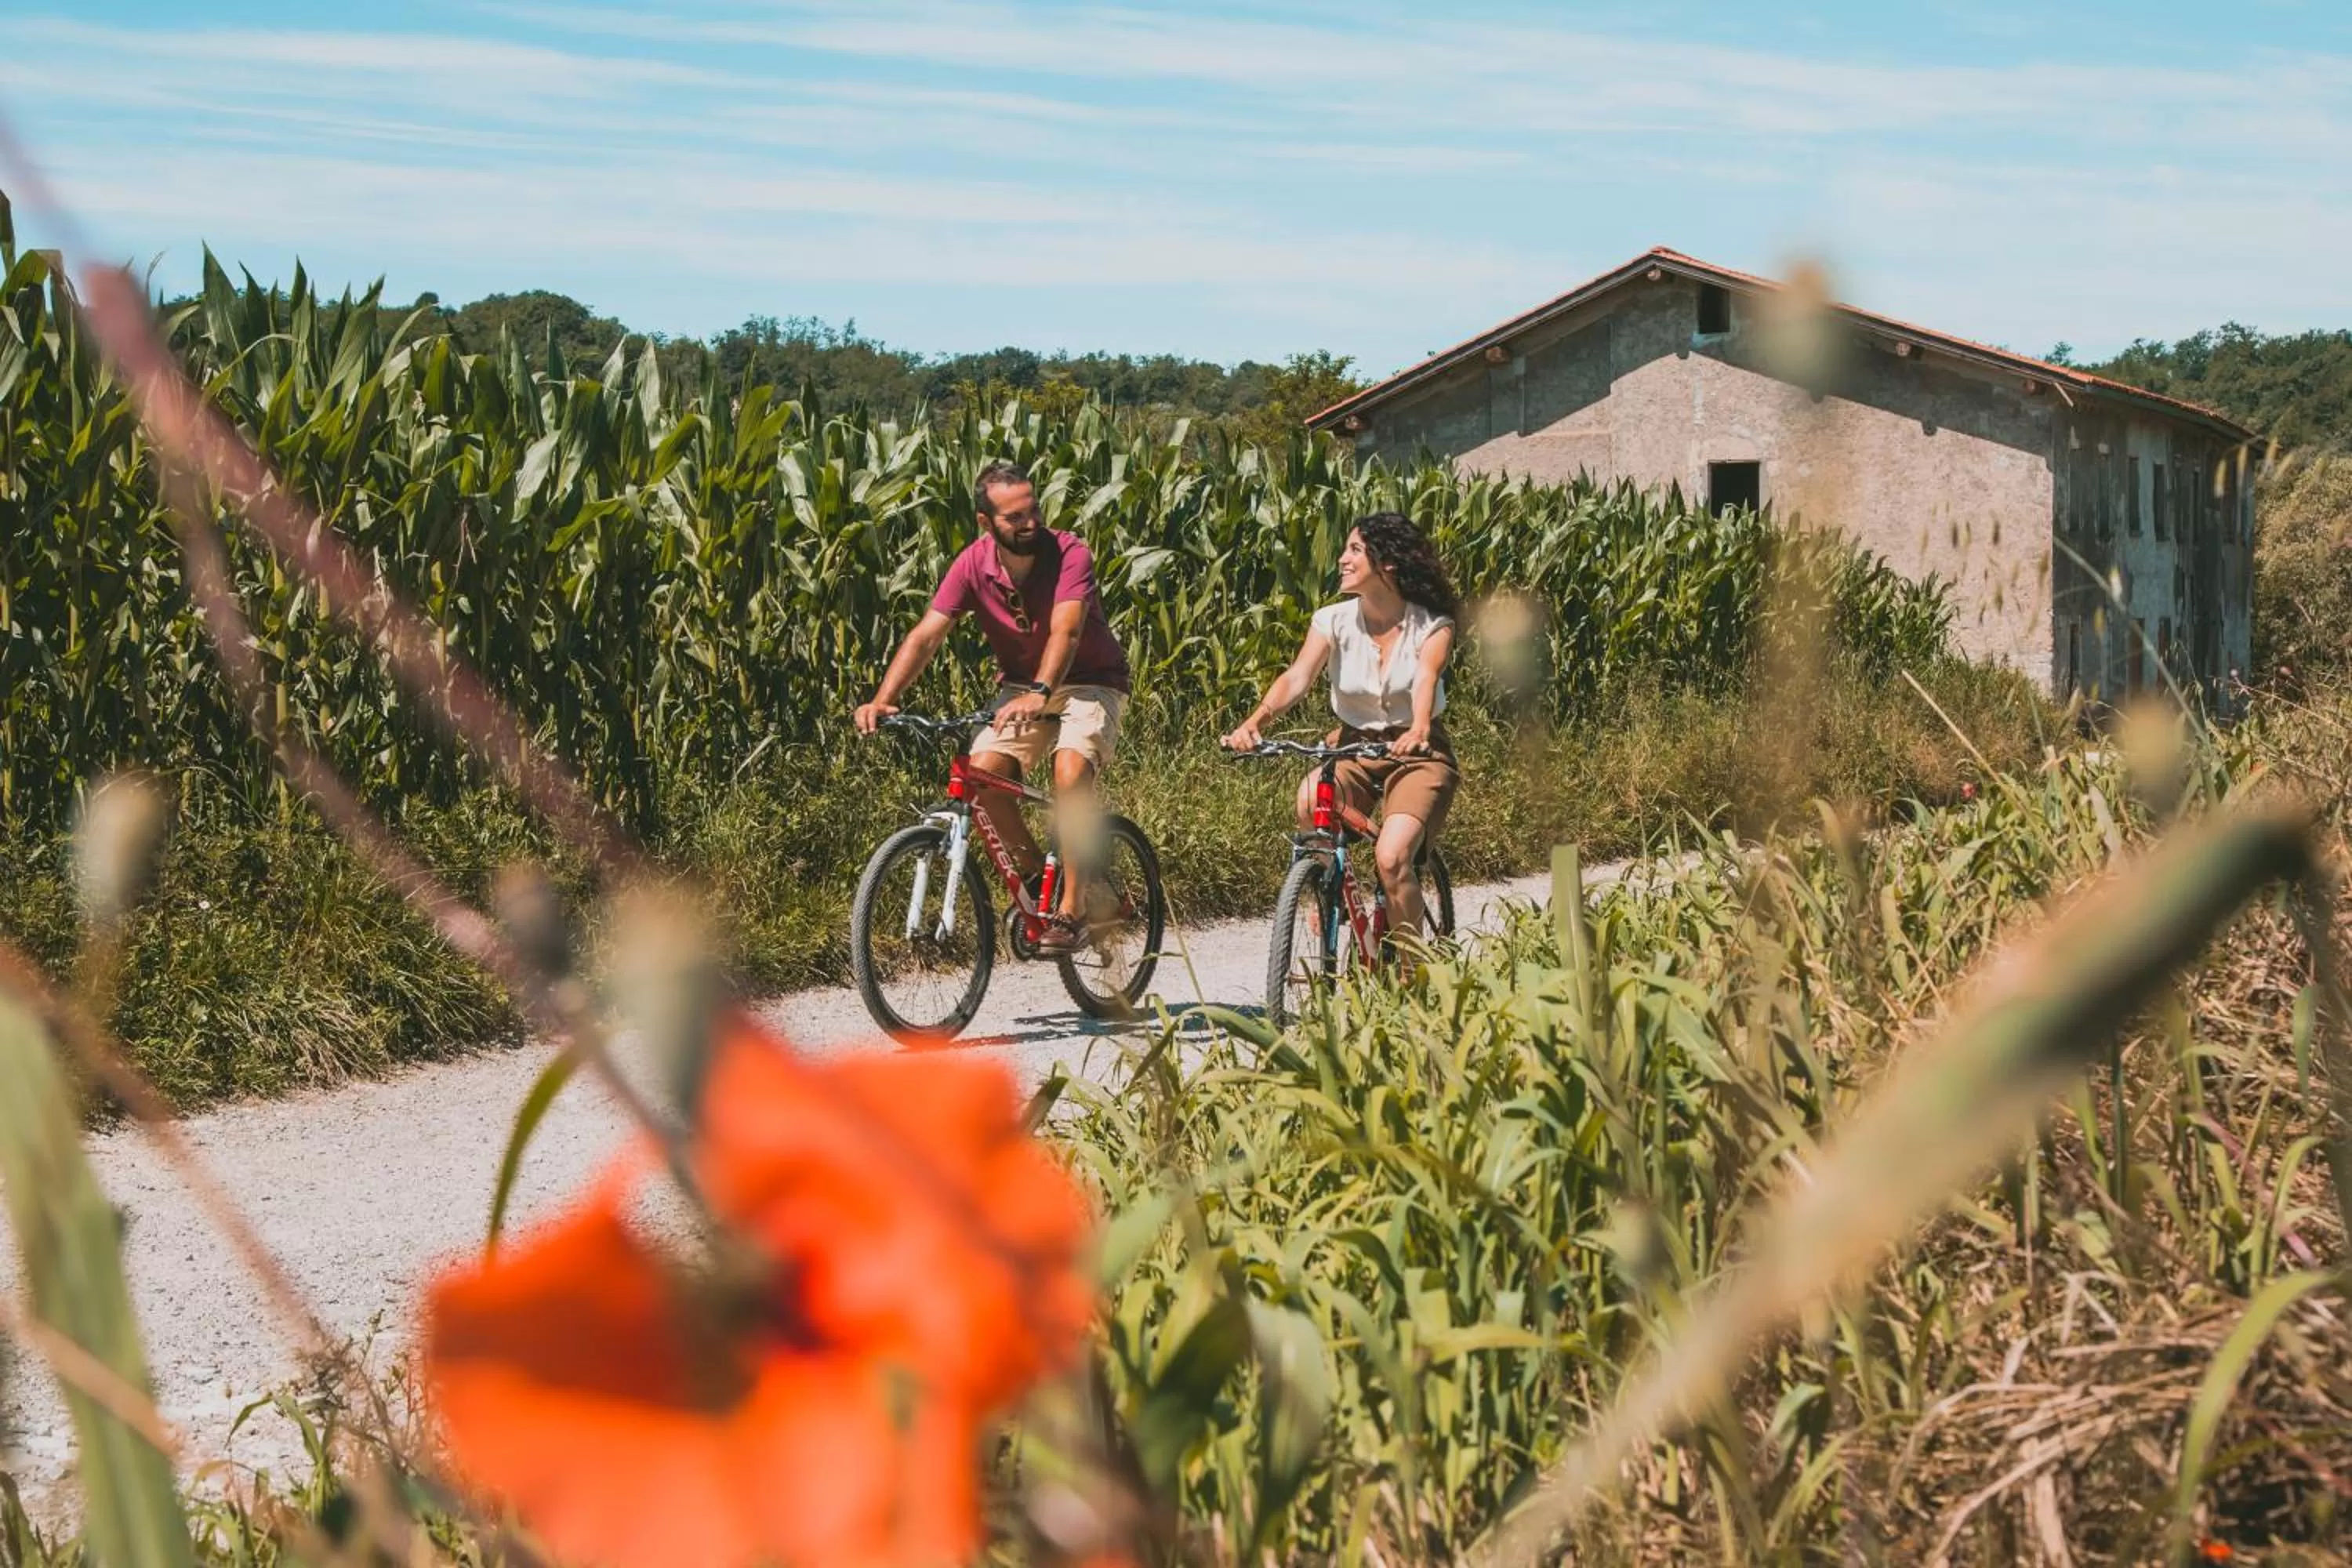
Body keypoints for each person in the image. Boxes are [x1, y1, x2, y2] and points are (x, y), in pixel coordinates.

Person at [855, 460, 1131, 954]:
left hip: (1089, 683)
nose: (1029, 524)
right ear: (986, 523)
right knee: (981, 777)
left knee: (1069, 774)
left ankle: (1072, 909)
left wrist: (1041, 691)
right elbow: (927, 634)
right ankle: (1034, 879)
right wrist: (884, 698)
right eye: (1014, 518)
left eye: (1033, 511)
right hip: (1022, 689)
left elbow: (1067, 631)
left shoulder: (1069, 552)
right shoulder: (972, 565)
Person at [1221, 511, 1460, 938]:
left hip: (1418, 755)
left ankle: (1415, 976)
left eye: (1355, 550)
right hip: (1352, 747)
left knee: (1391, 858)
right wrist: (1254, 722)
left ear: (1387, 563)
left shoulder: (1432, 625)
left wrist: (1420, 728)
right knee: (1311, 798)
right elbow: (1297, 678)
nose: (1342, 560)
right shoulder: (1332, 621)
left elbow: (1426, 677)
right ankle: (1329, 889)